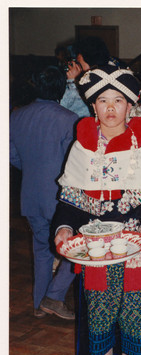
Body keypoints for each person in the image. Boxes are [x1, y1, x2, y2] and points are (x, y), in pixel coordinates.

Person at [53, 65, 141, 355]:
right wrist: (63, 227)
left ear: (131, 106)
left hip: (133, 245)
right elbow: (69, 201)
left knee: (133, 305)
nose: (111, 108)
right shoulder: (81, 148)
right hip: (94, 246)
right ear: (93, 106)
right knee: (98, 305)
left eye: (118, 100)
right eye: (103, 101)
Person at [10, 66, 78, 319]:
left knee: (41, 249)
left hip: (29, 193)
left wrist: (32, 167)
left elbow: (11, 154)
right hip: (61, 197)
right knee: (77, 247)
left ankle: (41, 302)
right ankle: (55, 297)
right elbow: (72, 161)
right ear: (61, 87)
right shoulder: (69, 118)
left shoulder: (15, 117)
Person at [59, 37, 111, 117]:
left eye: (79, 63)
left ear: (92, 65)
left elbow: (61, 108)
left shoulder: (95, 85)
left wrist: (71, 82)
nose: (77, 67)